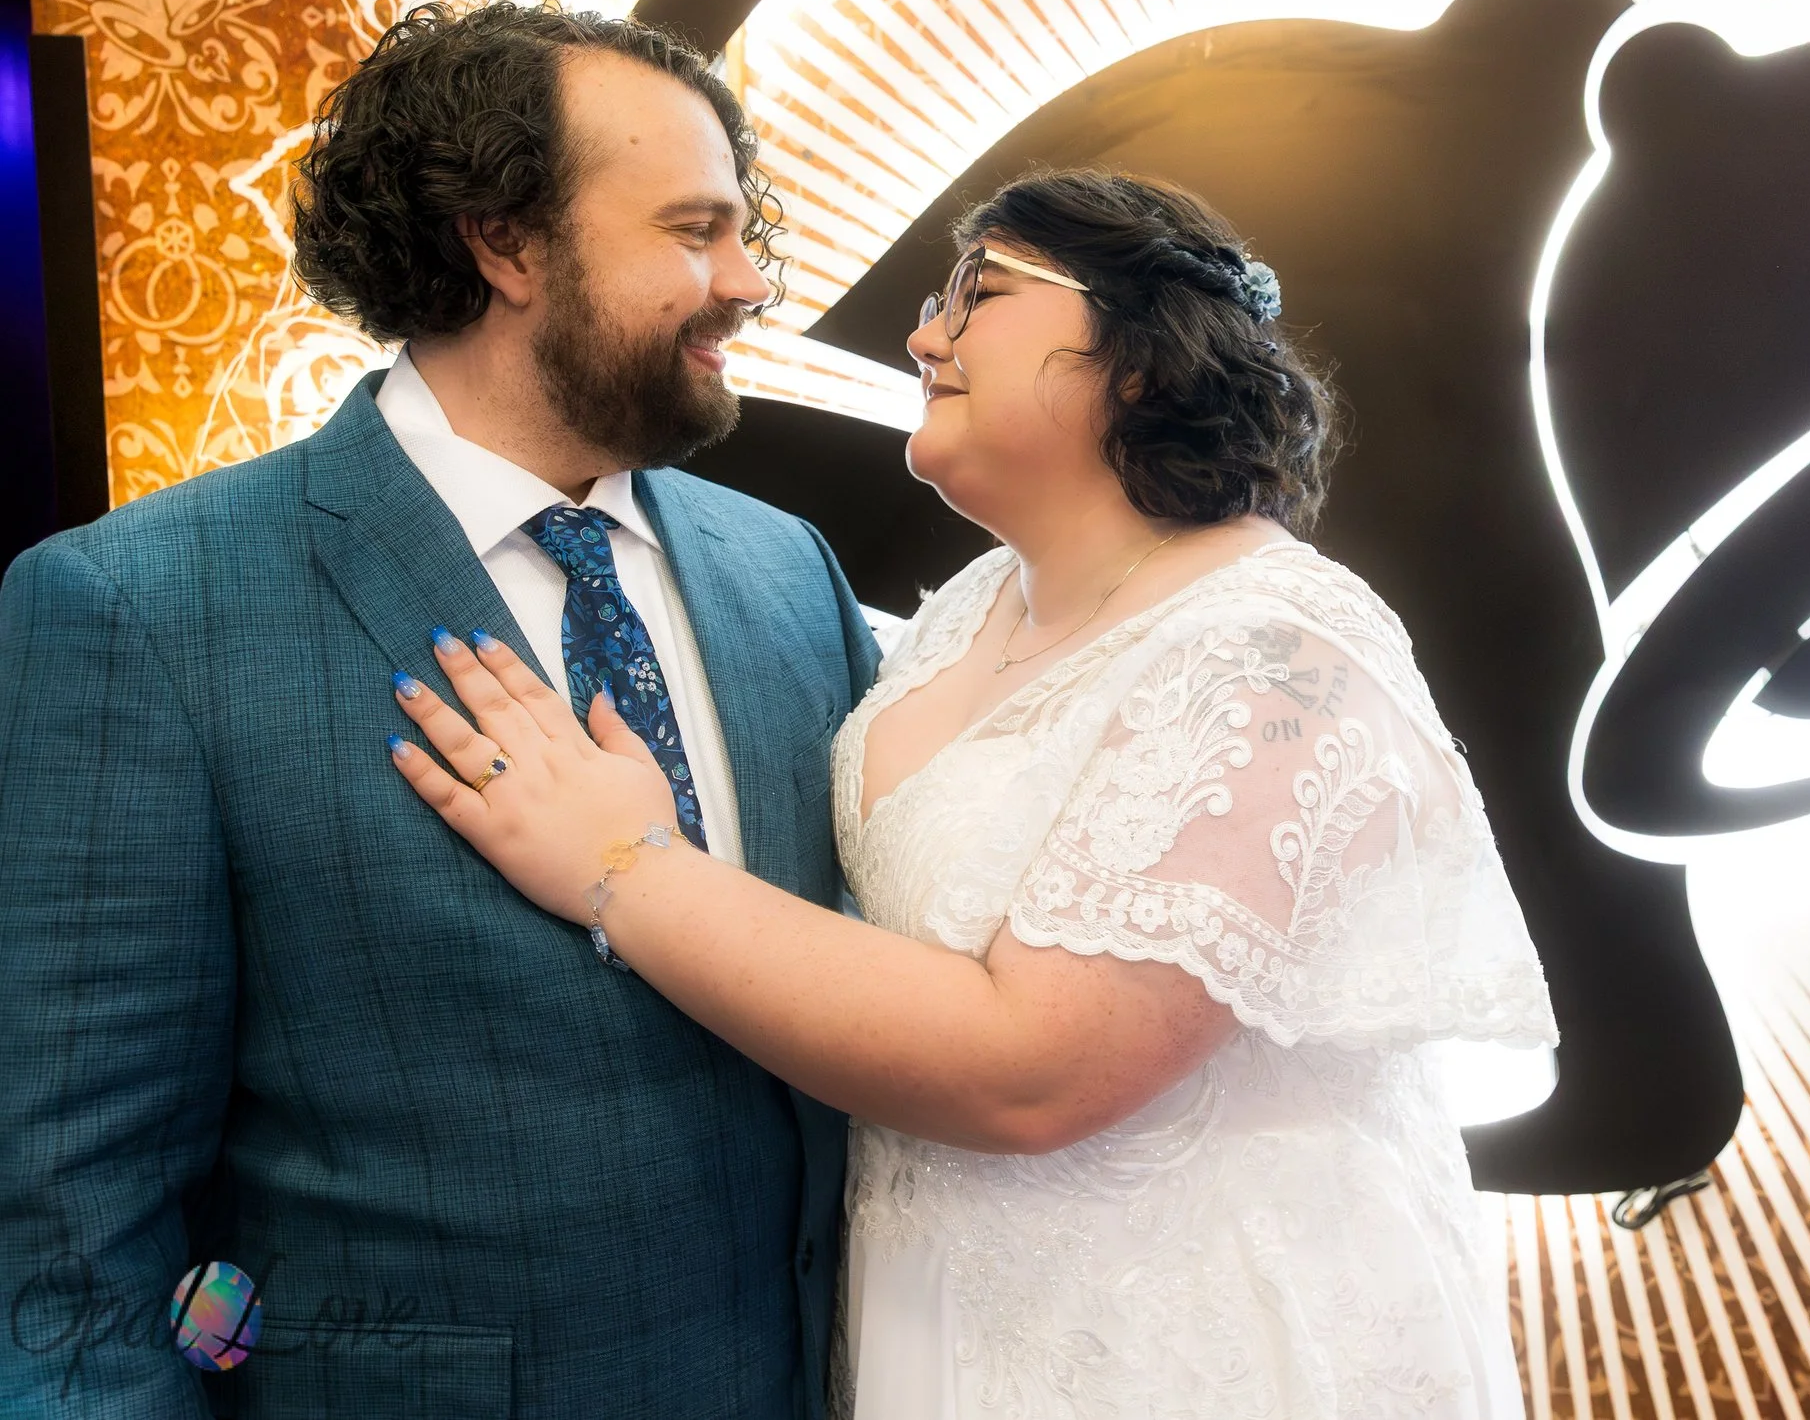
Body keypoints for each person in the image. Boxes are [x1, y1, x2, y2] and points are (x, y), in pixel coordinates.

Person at [384, 167, 1558, 1416]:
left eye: (978, 292)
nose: (923, 332)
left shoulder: (1274, 649)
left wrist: (624, 865)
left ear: (1146, 359)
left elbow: (1038, 1066)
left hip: (1175, 1346)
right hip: (931, 1315)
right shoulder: (961, 611)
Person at [0, 2, 877, 1417]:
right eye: (693, 229)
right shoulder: (141, 608)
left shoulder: (786, 570)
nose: (748, 279)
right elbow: (69, 1226)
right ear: (505, 241)